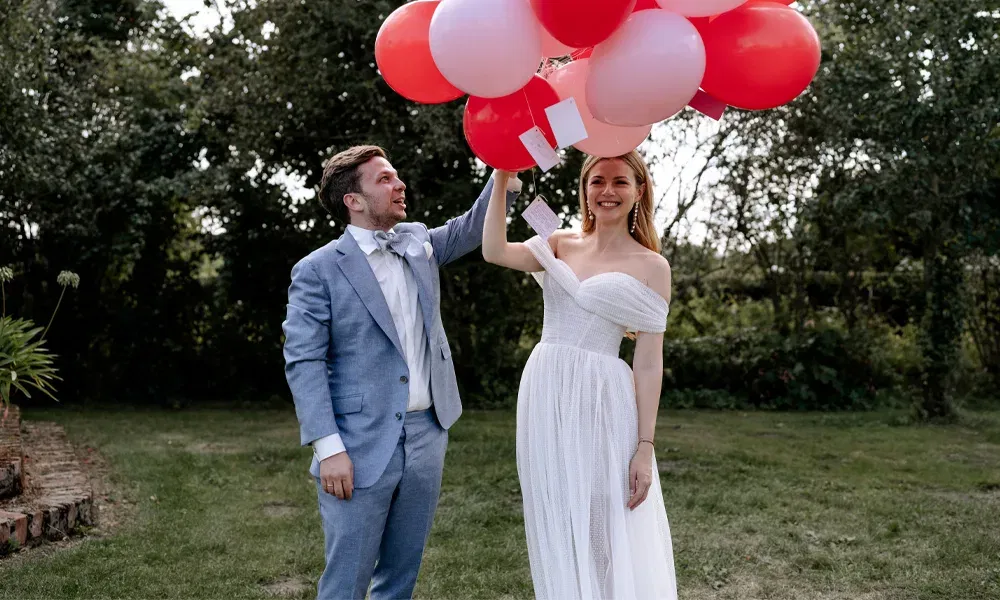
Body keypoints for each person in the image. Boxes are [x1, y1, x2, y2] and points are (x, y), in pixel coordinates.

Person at [282, 145, 521, 600]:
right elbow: (303, 361)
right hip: (357, 441)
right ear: (353, 200)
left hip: (428, 433)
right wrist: (328, 447)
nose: (399, 184)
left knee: (401, 574)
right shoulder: (317, 270)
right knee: (347, 578)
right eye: (385, 179)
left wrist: (506, 166)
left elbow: (472, 227)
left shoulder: (418, 242)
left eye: (396, 176)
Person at [482, 150, 678, 599]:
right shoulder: (559, 243)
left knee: (605, 510)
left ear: (639, 190)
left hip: (605, 396)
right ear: (584, 187)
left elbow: (648, 362)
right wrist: (500, 178)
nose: (607, 191)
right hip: (547, 385)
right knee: (557, 504)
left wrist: (644, 448)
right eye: (597, 181)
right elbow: (494, 251)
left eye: (620, 182)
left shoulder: (652, 266)